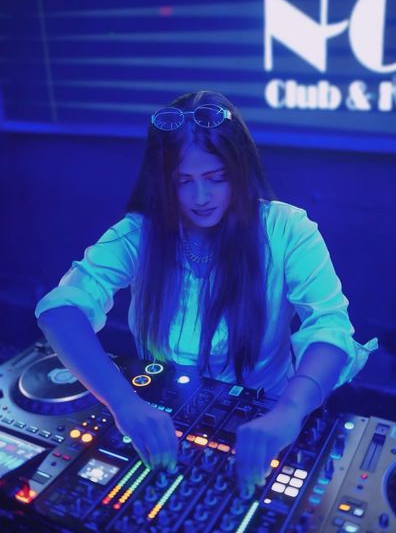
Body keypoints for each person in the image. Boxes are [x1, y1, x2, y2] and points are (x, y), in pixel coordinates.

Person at [36, 90, 377, 492]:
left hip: (267, 418)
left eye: (217, 178)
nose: (201, 198)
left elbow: (330, 327)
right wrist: (123, 402)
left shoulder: (288, 230)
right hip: (161, 417)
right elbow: (61, 310)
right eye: (184, 181)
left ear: (240, 169)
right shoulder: (139, 234)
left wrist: (289, 410)